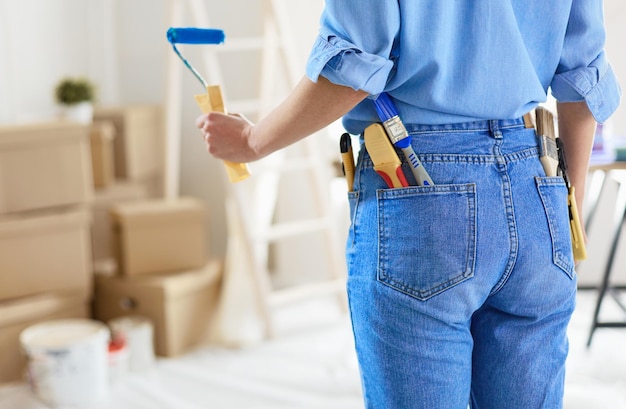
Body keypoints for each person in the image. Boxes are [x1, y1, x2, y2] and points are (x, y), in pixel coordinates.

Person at [196, 2, 621, 408]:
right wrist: (567, 210)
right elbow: (583, 76)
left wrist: (254, 141)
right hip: (537, 184)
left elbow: (355, 66)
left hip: (424, 192)